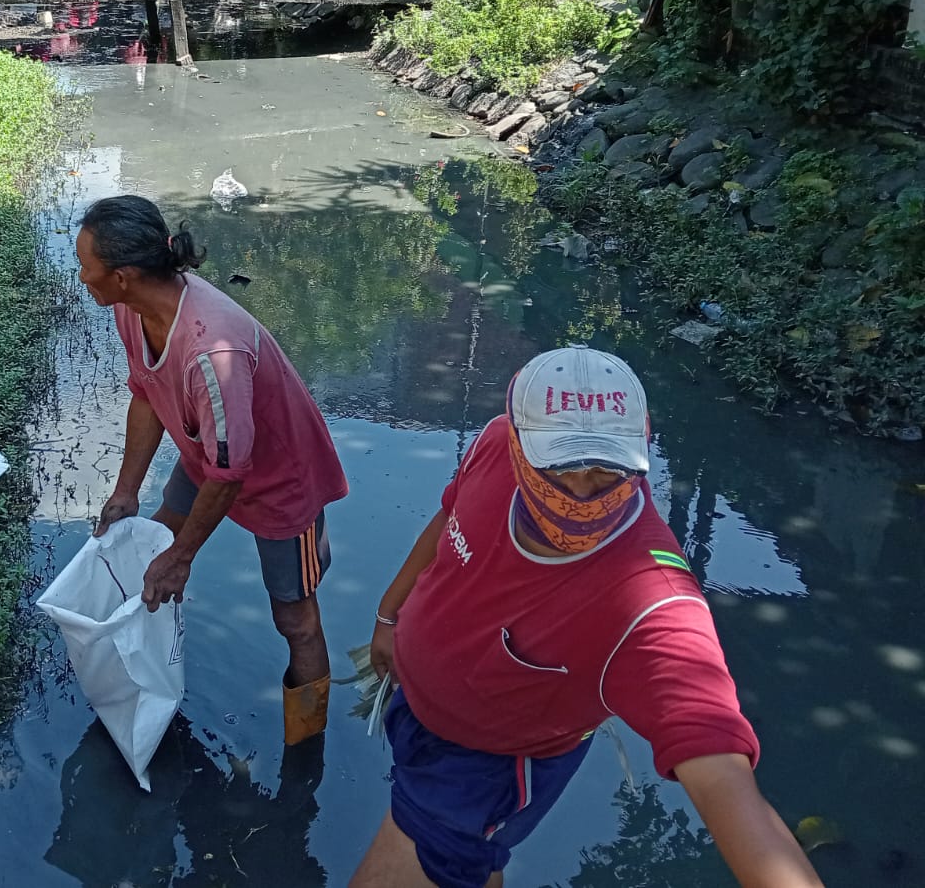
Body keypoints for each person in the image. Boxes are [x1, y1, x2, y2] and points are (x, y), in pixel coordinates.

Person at [349, 347, 824, 888]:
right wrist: (390, 617)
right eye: (562, 466)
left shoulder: (650, 601)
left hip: (484, 772)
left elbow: (719, 770)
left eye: (606, 470)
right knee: (474, 869)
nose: (581, 490)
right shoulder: (492, 447)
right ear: (519, 445)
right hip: (415, 708)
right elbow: (449, 522)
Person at [83, 196, 349, 746]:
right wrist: (125, 490)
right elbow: (146, 394)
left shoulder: (213, 352)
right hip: (210, 453)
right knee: (152, 547)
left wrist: (183, 558)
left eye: (87, 267)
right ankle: (146, 676)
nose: (82, 278)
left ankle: (308, 742)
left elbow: (232, 474)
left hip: (280, 481)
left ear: (123, 275)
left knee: (295, 621)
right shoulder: (130, 311)